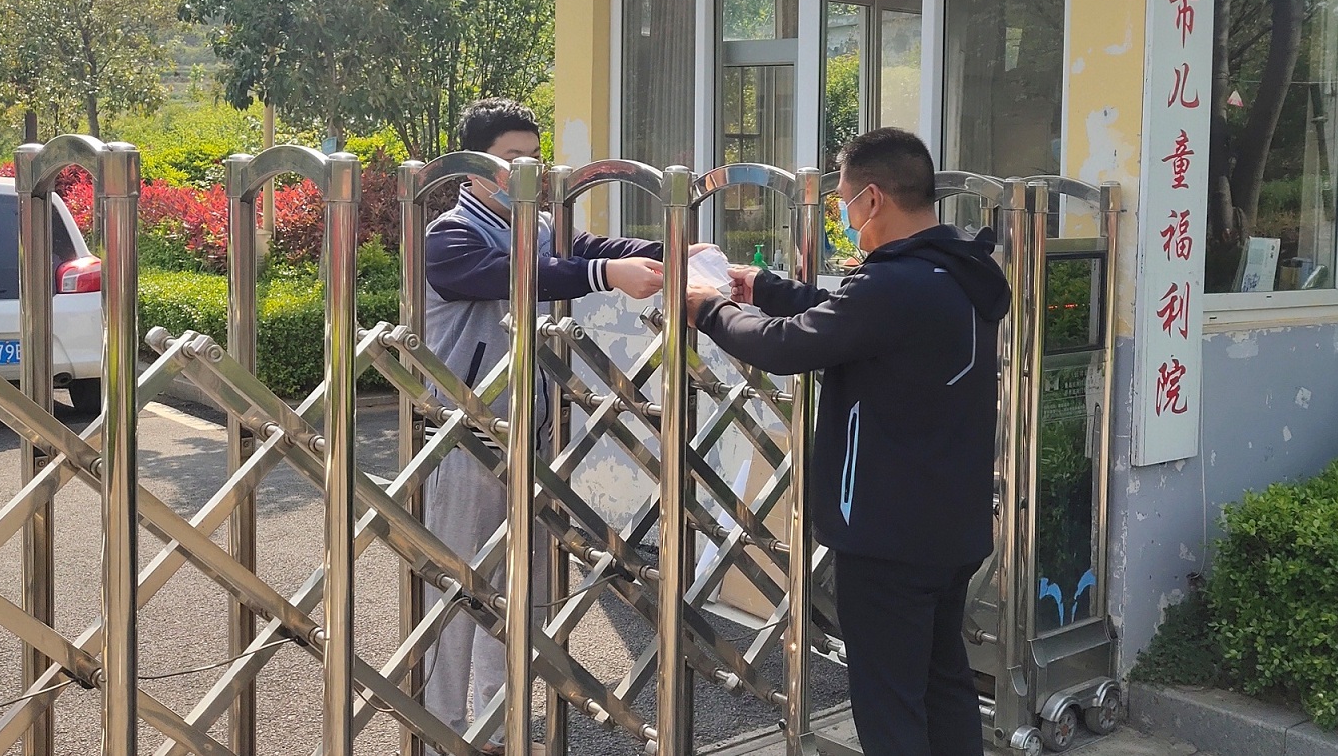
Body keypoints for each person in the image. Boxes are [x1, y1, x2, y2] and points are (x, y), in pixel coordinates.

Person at [683, 128, 1010, 756]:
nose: (844, 215)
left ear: (873, 198)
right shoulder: (957, 272)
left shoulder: (896, 284)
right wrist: (764, 288)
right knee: (943, 684)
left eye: (843, 200)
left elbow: (786, 346)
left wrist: (707, 309)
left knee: (889, 706)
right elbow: (852, 319)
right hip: (952, 524)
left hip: (887, 533)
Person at [420, 97, 672, 753]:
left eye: (534, 159)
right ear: (472, 167)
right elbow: (523, 276)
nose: (524, 173)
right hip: (464, 437)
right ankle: (442, 731)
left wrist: (673, 249)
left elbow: (592, 248)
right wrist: (603, 274)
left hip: (530, 438)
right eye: (511, 160)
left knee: (518, 593)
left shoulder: (535, 227)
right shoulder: (449, 234)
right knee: (455, 590)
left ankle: (498, 728)